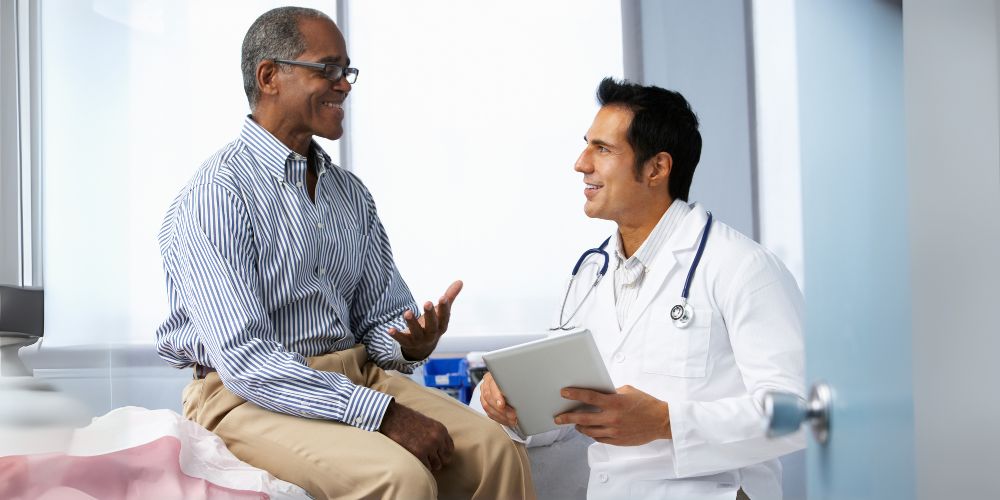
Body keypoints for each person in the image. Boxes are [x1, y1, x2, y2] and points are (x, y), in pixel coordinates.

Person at [155, 7, 534, 499]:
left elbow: (377, 319)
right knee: (400, 477)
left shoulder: (350, 194)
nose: (344, 85)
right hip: (246, 395)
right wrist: (383, 414)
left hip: (358, 377)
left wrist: (408, 344)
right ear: (269, 77)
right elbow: (247, 360)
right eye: (328, 69)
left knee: (495, 449)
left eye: (346, 71)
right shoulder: (216, 195)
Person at [478, 78, 805, 499]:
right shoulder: (589, 274)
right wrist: (512, 402)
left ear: (656, 168)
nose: (581, 164)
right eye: (586, 146)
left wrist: (667, 422)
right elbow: (568, 409)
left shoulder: (743, 267)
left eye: (602, 149)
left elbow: (798, 414)